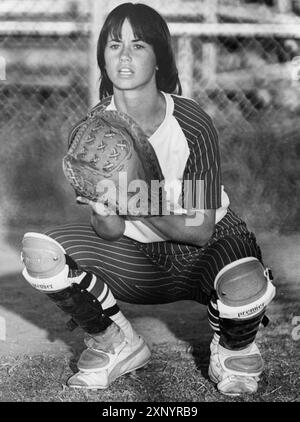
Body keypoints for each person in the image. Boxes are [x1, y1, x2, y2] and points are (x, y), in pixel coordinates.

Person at [20, 3, 276, 396]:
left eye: (138, 45)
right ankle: (116, 343)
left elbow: (200, 229)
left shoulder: (191, 122)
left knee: (244, 281)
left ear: (159, 57)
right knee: (41, 254)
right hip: (136, 257)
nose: (123, 56)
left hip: (206, 253)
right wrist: (107, 208)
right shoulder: (94, 129)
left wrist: (133, 196)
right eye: (113, 44)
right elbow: (108, 230)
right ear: (101, 57)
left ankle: (233, 351)